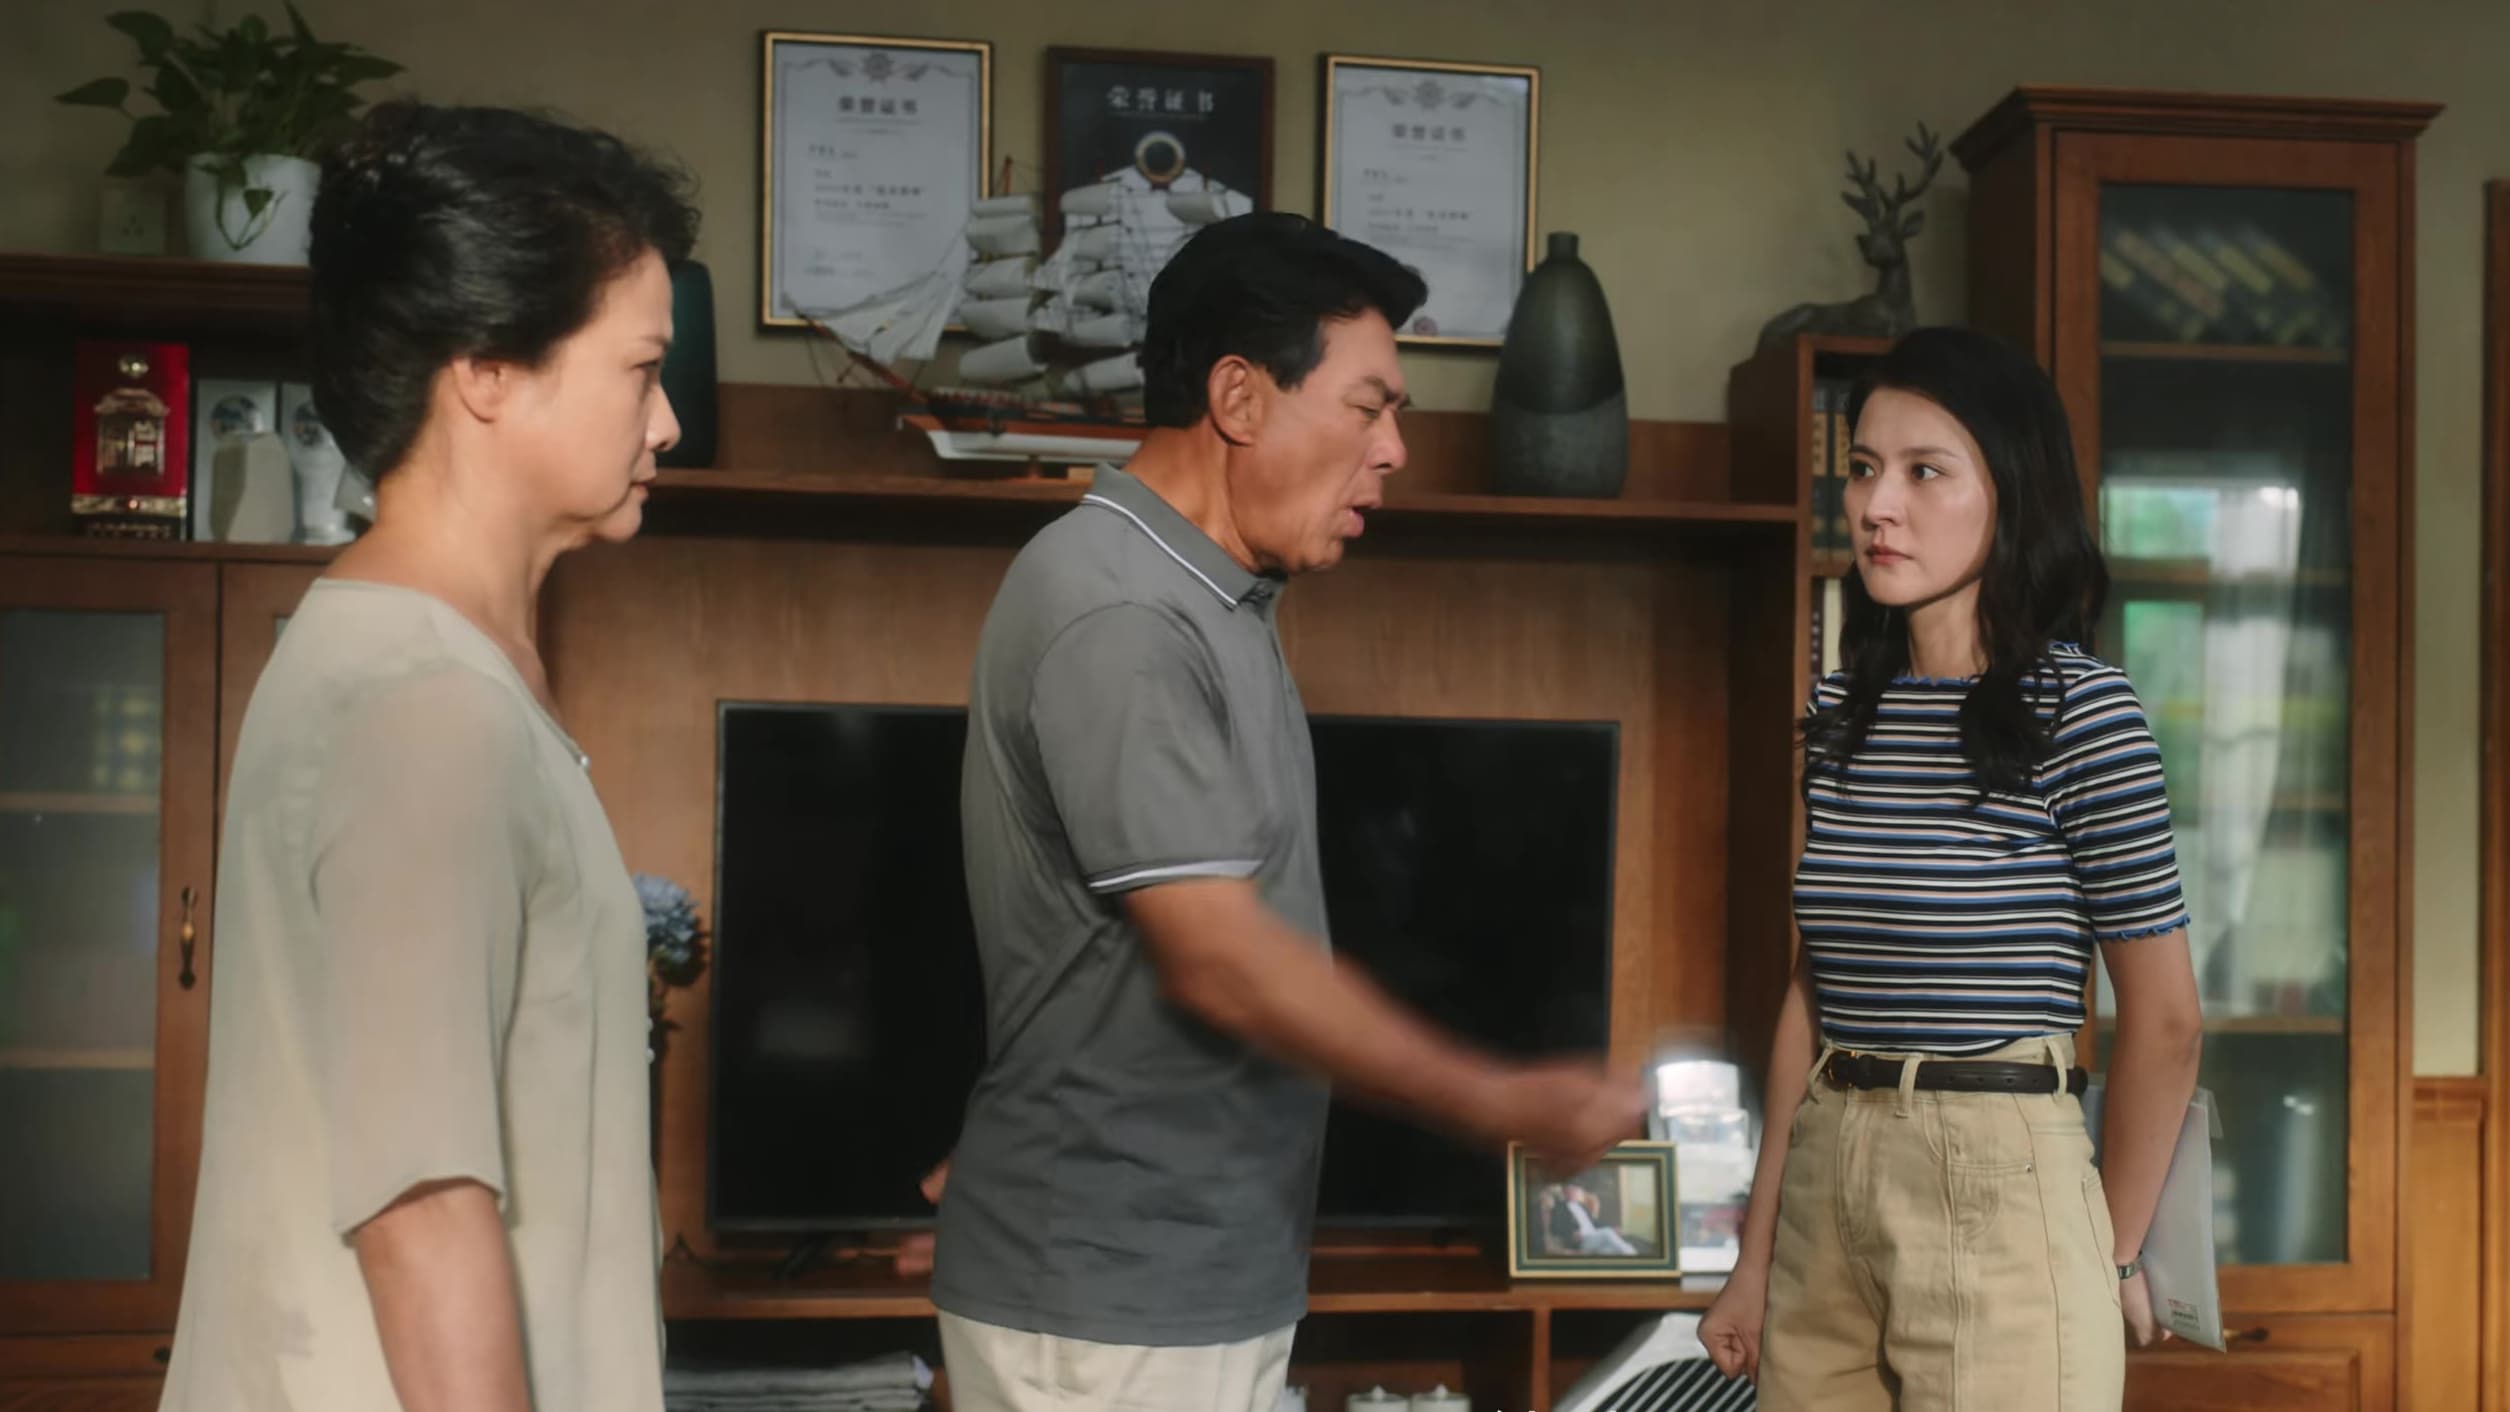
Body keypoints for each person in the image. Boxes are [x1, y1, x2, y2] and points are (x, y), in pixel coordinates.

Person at [936, 211, 1646, 1412]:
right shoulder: (1124, 611)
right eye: (1368, 407)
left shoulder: (1208, 595)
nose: (1394, 451)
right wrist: (1496, 1100)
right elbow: (1221, 961)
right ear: (1238, 397)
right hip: (1113, 1309)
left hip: (1175, 1285)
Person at [161, 101, 697, 1412]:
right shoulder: (425, 707)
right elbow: (421, 1209)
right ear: (488, 372)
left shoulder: (431, 670)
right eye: (640, 370)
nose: (668, 423)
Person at [1697, 327, 2205, 1411]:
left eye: (1925, 471)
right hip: (1829, 1175)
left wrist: (2108, 1250)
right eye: (1863, 468)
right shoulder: (1845, 708)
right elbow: (1811, 995)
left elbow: (2164, 1021)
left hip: (2001, 1174)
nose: (1877, 505)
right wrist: (1752, 1257)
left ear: (2011, 496)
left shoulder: (2084, 714)